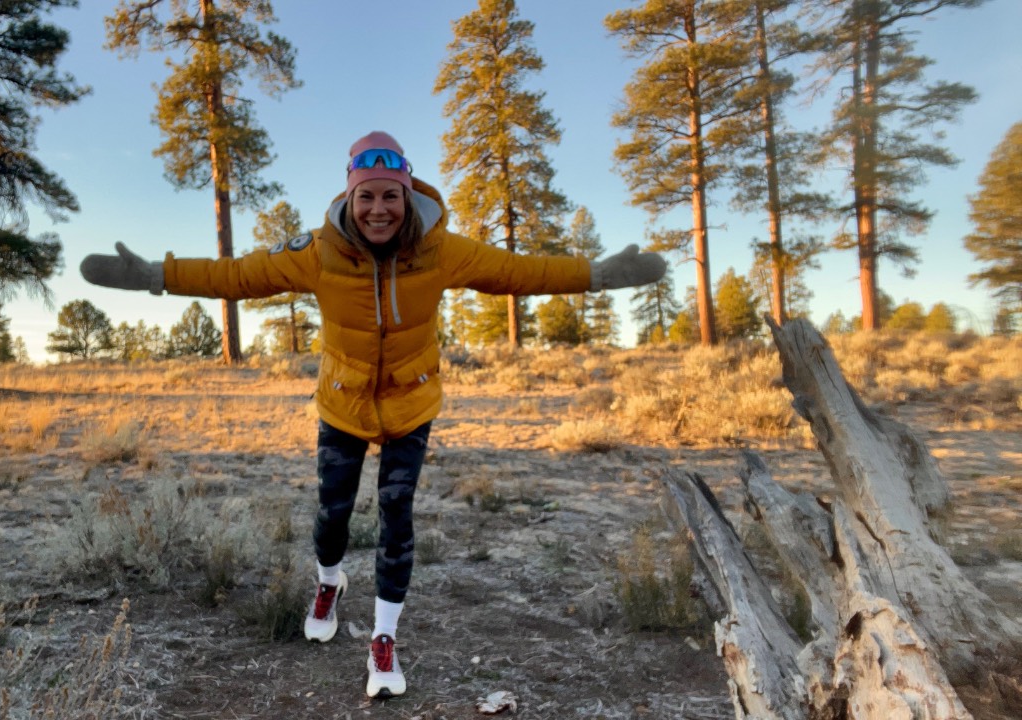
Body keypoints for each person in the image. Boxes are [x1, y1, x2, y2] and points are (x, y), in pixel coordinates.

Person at [80, 131, 666, 699]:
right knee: (332, 513)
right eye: (367, 196)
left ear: (407, 195)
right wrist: (155, 276)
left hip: (411, 403)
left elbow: (521, 271)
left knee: (395, 514)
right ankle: (329, 583)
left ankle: (384, 638)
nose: (379, 209)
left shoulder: (441, 249)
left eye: (390, 195)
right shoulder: (317, 252)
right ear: (350, 196)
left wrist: (597, 275)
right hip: (343, 403)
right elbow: (236, 277)